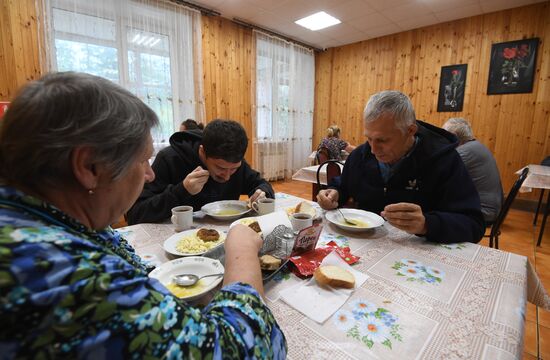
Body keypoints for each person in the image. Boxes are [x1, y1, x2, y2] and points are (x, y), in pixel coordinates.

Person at [0, 72, 286, 359]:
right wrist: (242, 250)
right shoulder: (66, 275)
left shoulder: (46, 220)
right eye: (142, 160)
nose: (149, 174)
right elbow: (248, 348)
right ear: (89, 167)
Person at [317, 90, 485, 244]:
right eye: (369, 138)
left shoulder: (444, 160)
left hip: (418, 260)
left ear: (410, 130)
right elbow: (344, 184)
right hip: (365, 249)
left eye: (383, 140)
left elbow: (474, 224)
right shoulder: (361, 155)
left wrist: (426, 224)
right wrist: (335, 192)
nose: (373, 150)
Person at [127, 119, 274, 224]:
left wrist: (262, 193)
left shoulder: (233, 161)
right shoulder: (170, 158)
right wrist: (181, 190)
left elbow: (261, 184)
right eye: (221, 168)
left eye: (234, 169)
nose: (228, 176)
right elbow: (136, 214)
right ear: (202, 152)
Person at [443, 117, 503, 223]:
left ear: (454, 137)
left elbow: (441, 171)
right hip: (492, 207)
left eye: (445, 135)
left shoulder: (464, 152)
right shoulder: (475, 146)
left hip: (484, 211)